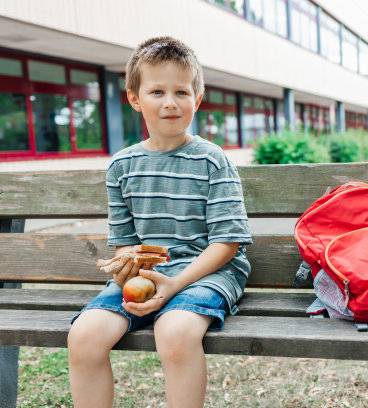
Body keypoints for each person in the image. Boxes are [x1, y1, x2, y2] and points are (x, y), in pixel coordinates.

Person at [67, 36, 252, 408]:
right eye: (156, 91)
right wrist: (126, 269)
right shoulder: (122, 166)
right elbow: (125, 241)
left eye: (182, 92)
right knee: (84, 336)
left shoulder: (212, 160)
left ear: (196, 100)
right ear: (135, 98)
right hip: (150, 275)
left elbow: (227, 242)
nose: (170, 102)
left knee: (175, 332)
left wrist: (174, 284)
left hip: (208, 271)